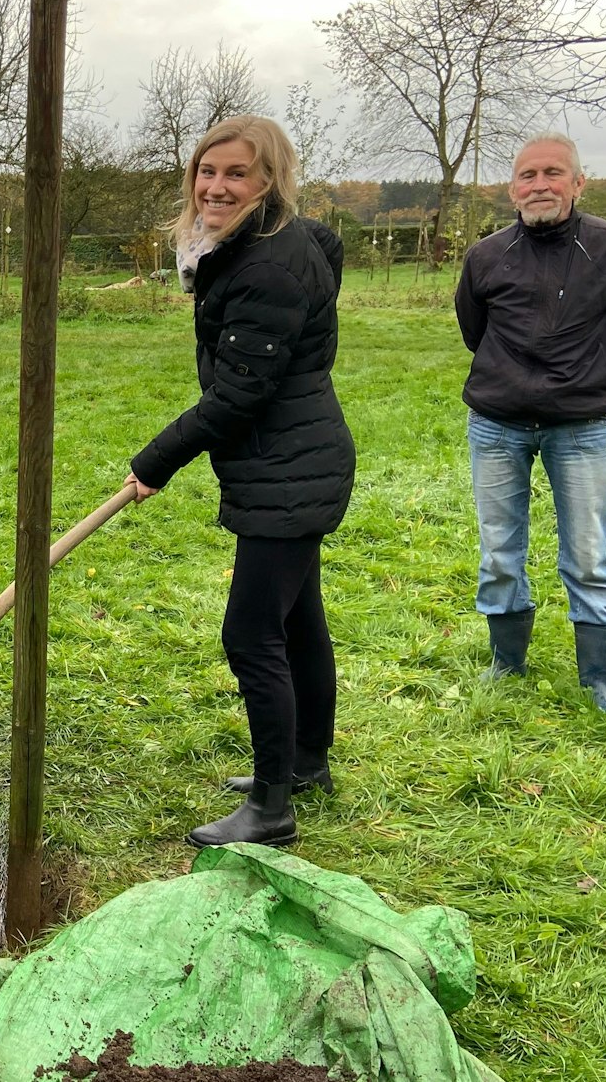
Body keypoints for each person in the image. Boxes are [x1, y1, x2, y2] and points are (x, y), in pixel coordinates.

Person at [124, 115, 356, 848]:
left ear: (269, 181)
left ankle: (272, 807)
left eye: (237, 174)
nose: (216, 187)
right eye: (207, 171)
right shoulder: (276, 242)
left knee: (251, 634)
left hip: (286, 468)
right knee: (298, 622)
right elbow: (328, 248)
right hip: (290, 457)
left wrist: (154, 461)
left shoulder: (266, 266)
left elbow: (237, 396)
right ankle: (306, 761)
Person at [456, 132, 606, 719]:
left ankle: (597, 682)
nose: (540, 185)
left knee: (588, 556)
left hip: (583, 427)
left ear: (578, 183)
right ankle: (506, 663)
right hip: (497, 425)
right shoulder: (485, 256)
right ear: (512, 189)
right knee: (498, 551)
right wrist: (514, 381)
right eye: (528, 175)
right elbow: (473, 330)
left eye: (553, 173)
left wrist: (586, 380)